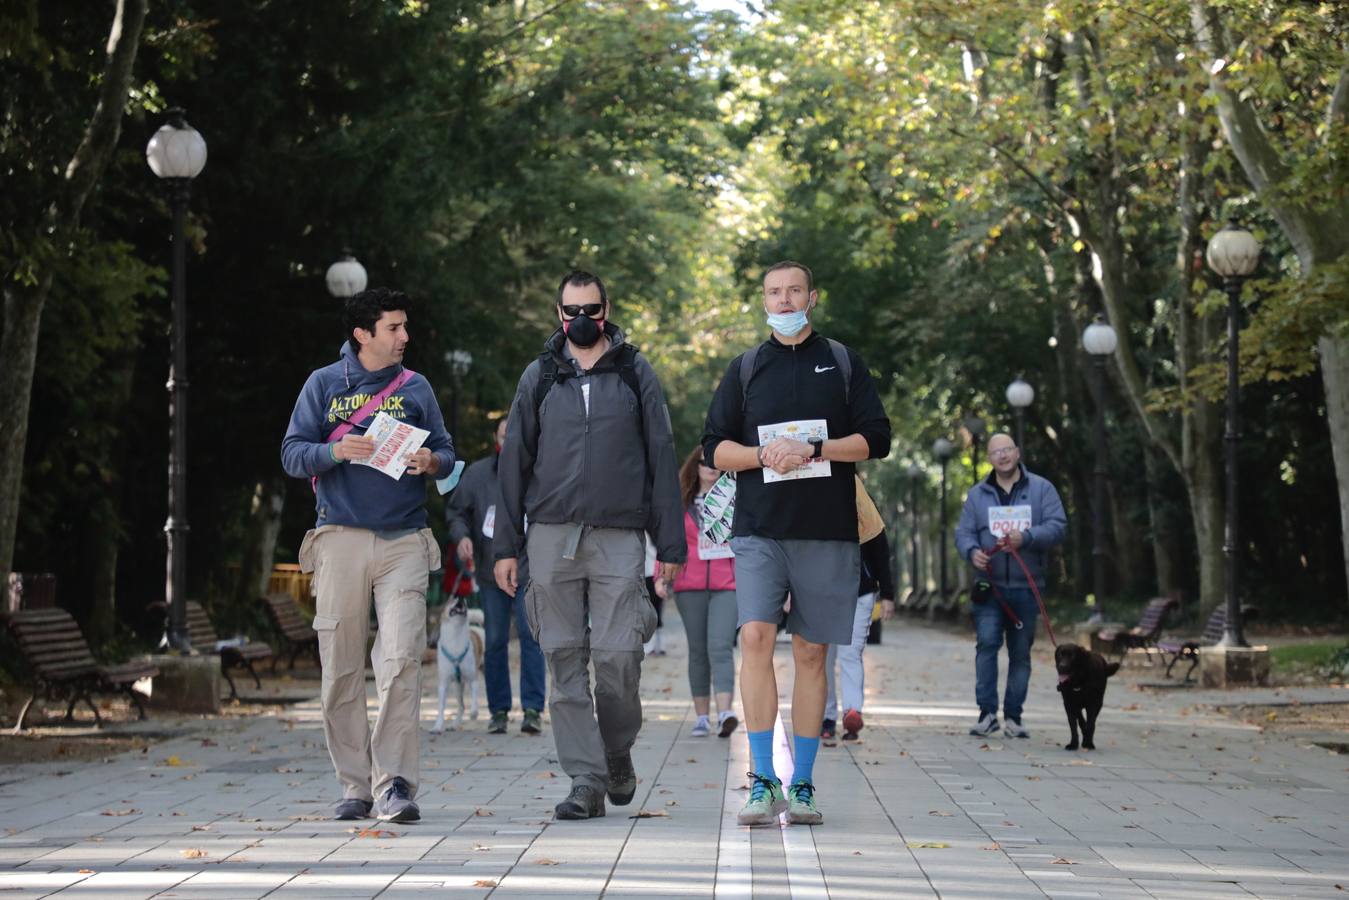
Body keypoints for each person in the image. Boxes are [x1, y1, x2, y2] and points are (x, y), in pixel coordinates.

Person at [702, 260, 891, 827]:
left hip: (828, 530)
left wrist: (813, 448)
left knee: (812, 653)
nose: (783, 302)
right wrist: (763, 455)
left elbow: (876, 439)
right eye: (773, 293)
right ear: (764, 300)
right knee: (755, 636)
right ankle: (762, 780)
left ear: (813, 296)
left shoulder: (841, 361)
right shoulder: (745, 368)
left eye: (793, 292)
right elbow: (714, 448)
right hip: (759, 529)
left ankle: (802, 785)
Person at [493, 270, 686, 821]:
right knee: (561, 657)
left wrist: (669, 546)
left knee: (619, 656)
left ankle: (617, 748)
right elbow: (514, 464)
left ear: (607, 310)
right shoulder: (539, 376)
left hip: (620, 536)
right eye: (571, 310)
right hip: (551, 535)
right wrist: (507, 546)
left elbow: (661, 455)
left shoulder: (633, 371)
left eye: (592, 310)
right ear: (558, 314)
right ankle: (585, 778)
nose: (582, 320)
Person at [281, 287, 455, 824]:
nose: (405, 337)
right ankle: (354, 786)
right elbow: (292, 454)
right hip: (339, 539)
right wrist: (335, 451)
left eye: (405, 327)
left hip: (404, 539)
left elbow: (449, 454)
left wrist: (431, 461)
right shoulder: (324, 384)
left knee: (401, 660)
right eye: (394, 328)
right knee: (340, 669)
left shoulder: (417, 387)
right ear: (363, 333)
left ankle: (395, 784)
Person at [955, 432, 1067, 739]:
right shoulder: (977, 495)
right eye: (995, 452)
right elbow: (963, 533)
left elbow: (1058, 526)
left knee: (1021, 653)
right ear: (989, 458)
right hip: (988, 587)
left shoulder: (1042, 489)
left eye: (1007, 450)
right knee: (987, 645)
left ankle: (1014, 716)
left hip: (1026, 587)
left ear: (1017, 452)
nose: (1002, 456)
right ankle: (987, 713)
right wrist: (971, 551)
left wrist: (1027, 537)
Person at [446, 416, 546, 735]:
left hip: (530, 571)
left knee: (532, 639)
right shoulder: (477, 475)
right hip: (491, 574)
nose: (509, 440)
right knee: (496, 641)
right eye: (504, 434)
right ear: (496, 438)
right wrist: (462, 536)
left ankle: (532, 709)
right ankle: (499, 711)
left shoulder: (539, 474)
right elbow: (457, 511)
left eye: (514, 435)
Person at [658, 447, 739, 739]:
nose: (710, 467)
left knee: (720, 645)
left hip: (728, 585)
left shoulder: (735, 499)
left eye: (717, 462)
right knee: (698, 651)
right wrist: (660, 576)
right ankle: (702, 717)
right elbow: (668, 542)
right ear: (696, 465)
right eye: (705, 461)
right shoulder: (681, 503)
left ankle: (726, 712)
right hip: (689, 585)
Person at [821, 529, 895, 743]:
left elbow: (880, 548)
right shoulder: (813, 499)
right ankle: (826, 716)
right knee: (823, 657)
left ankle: (852, 714)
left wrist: (887, 594)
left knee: (850, 653)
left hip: (860, 592)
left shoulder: (863, 504)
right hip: (823, 593)